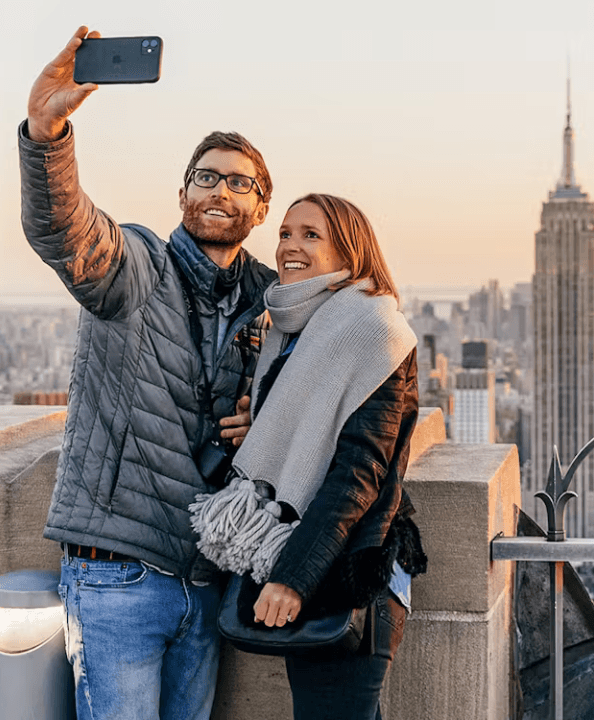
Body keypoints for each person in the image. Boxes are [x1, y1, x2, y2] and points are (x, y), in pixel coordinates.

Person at [18, 27, 277, 720]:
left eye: (239, 181)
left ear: (261, 207)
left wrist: (268, 416)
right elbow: (67, 231)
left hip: (209, 577)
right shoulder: (138, 267)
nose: (220, 189)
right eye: (206, 176)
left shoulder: (275, 301)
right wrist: (48, 134)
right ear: (183, 192)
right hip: (118, 573)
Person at [191, 193, 427, 720]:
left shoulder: (373, 331)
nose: (290, 246)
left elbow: (357, 475)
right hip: (311, 558)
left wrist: (293, 577)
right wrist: (263, 429)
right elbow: (312, 435)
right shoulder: (296, 331)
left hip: (349, 571)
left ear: (351, 250)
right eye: (284, 233)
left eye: (310, 235)